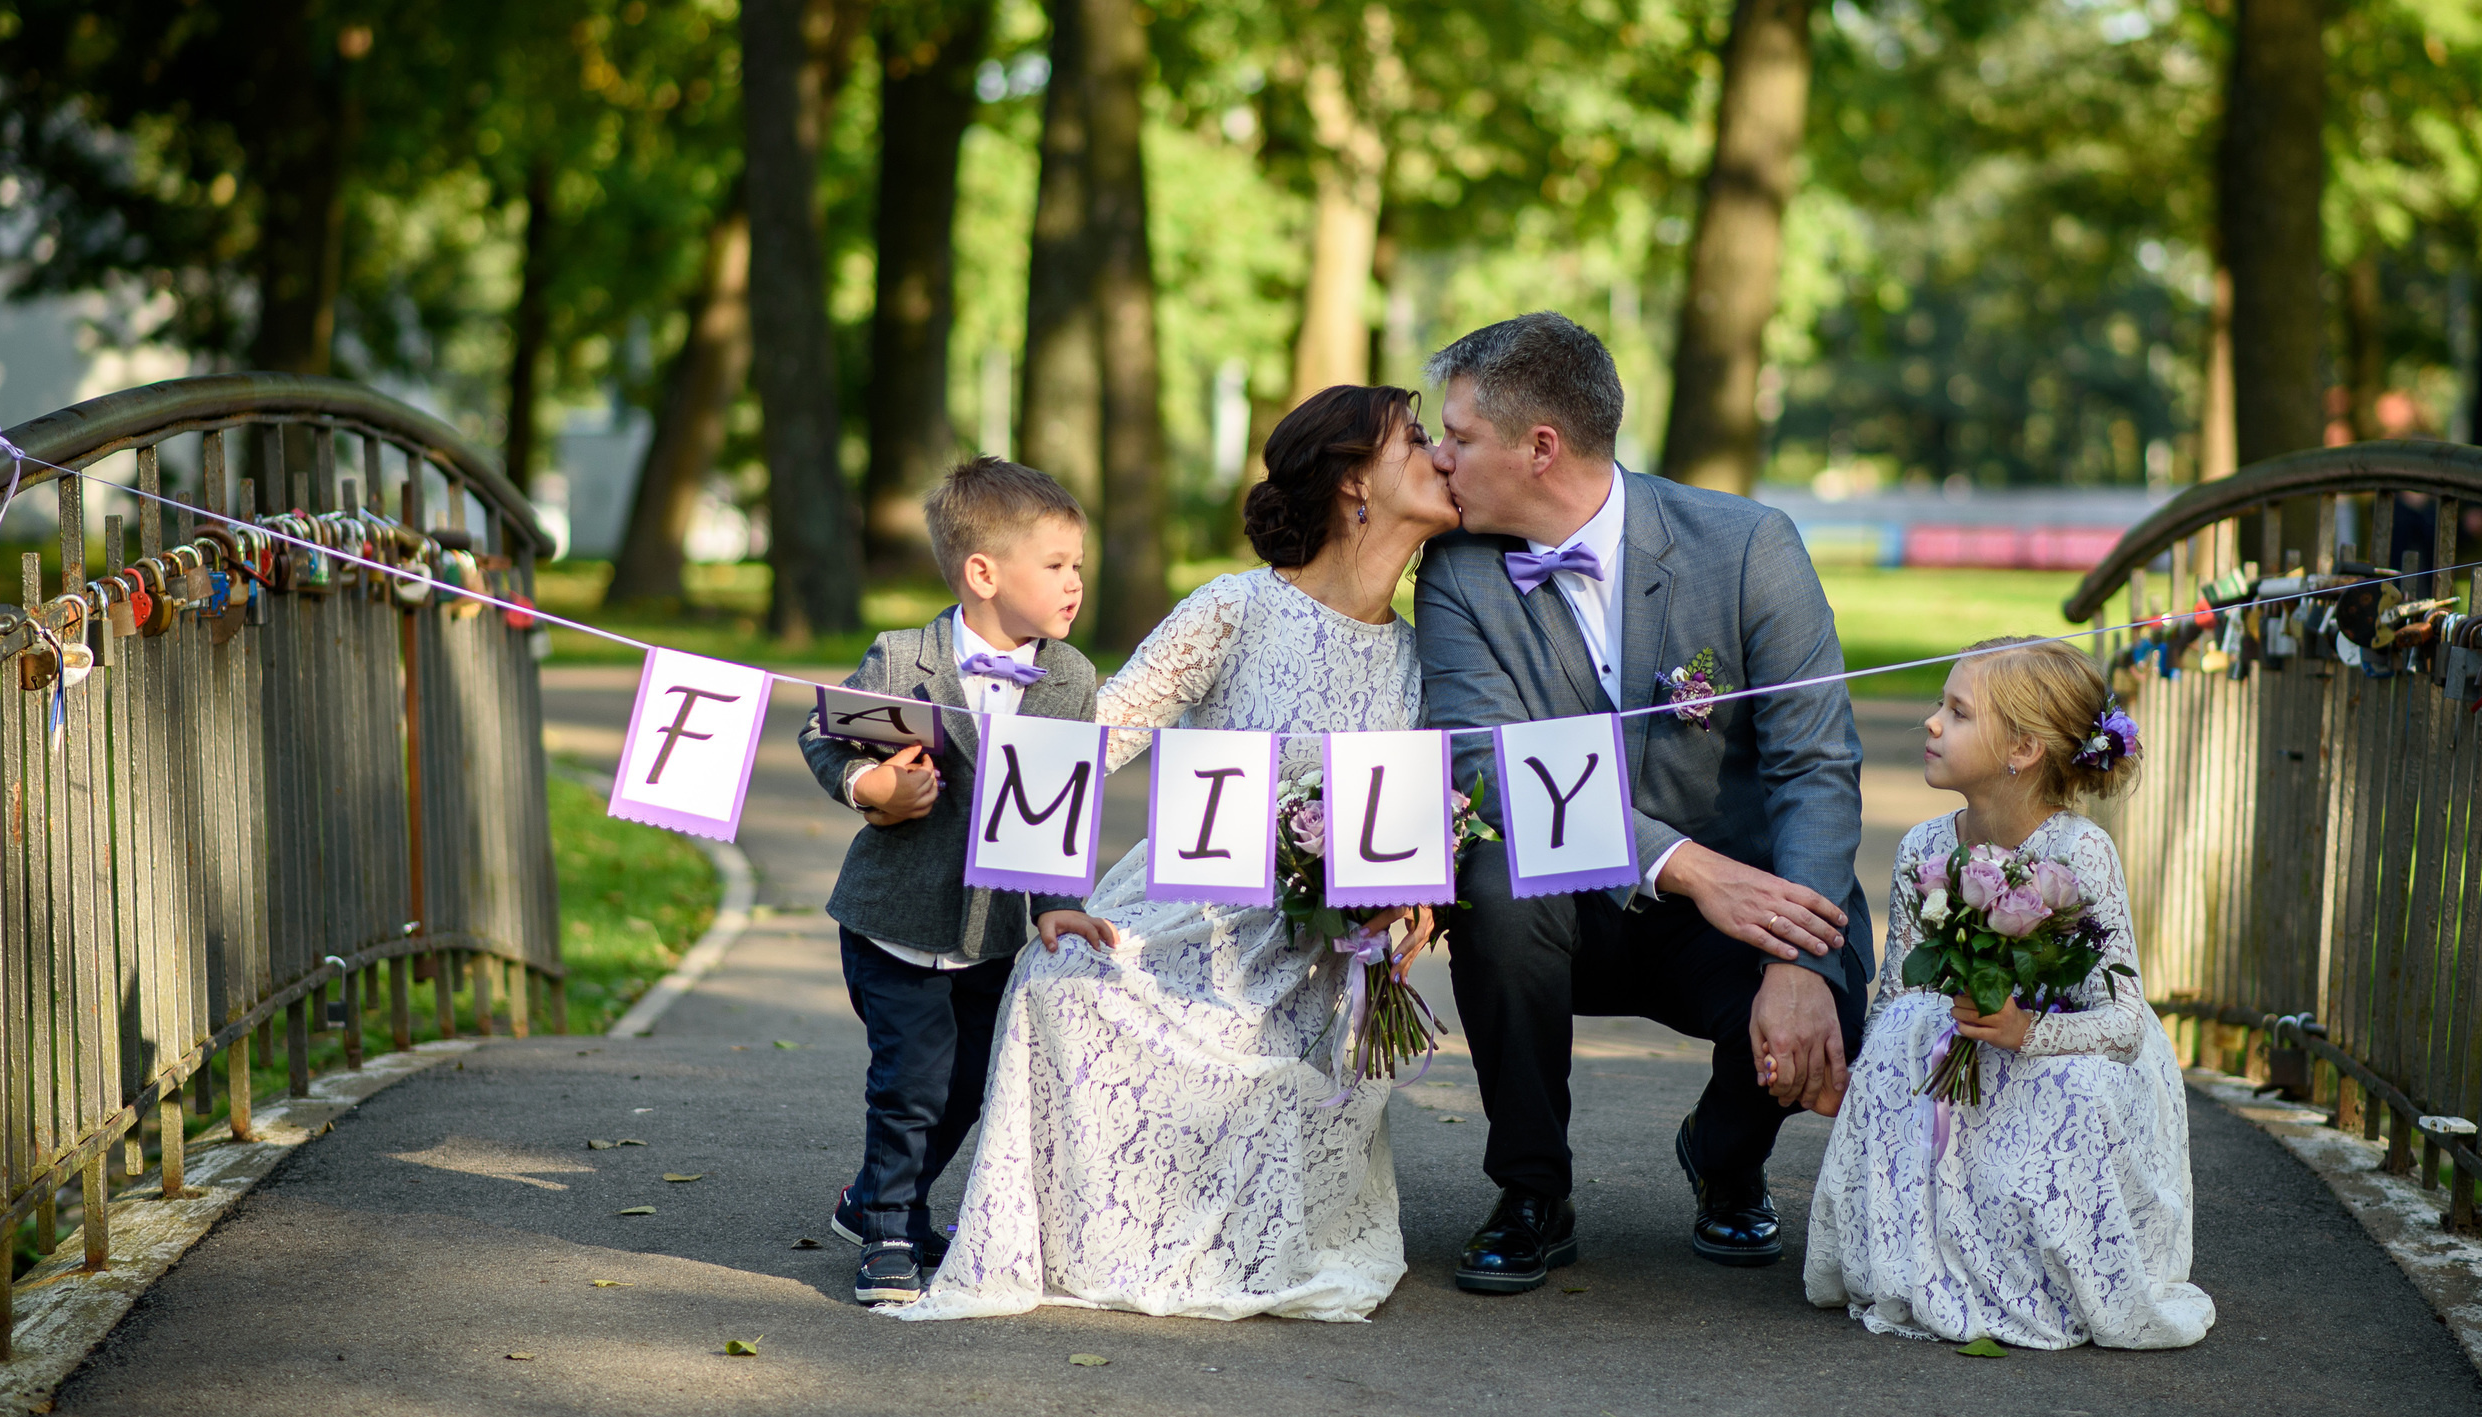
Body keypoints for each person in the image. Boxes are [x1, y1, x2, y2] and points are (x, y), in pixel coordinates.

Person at [894, 385, 1461, 1322]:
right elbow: (1096, 734)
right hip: (1189, 900)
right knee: (1059, 982)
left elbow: (1425, 812)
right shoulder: (1235, 609)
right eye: (1418, 438)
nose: (1442, 453)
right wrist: (922, 762)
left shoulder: (1426, 655)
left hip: (1318, 949)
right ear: (1356, 481)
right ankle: (1068, 1232)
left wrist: (1412, 893)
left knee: (1288, 1065)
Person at [1413, 312, 1870, 1293]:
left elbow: (1815, 763)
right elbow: (1482, 761)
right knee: (1494, 876)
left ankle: (1725, 1154)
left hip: (1735, 906)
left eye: (1456, 436)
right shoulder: (1453, 568)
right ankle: (1531, 1187)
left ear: (1540, 447)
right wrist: (1683, 867)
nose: (1436, 457)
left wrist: (1798, 957)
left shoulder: (1749, 545)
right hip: (1568, 900)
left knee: (1833, 971)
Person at [1805, 639, 2214, 1349]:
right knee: (1904, 1031)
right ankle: (1930, 1254)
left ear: (2021, 748)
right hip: (1964, 1037)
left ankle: (2051, 1267)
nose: (1931, 723)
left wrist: (2028, 1031)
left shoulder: (2079, 851)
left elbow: (2123, 1025)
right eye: (1940, 705)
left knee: (2075, 1088)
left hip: (2057, 1043)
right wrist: (1863, 1075)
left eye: (1957, 712)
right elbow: (1900, 991)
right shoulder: (1924, 846)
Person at [796, 457, 1101, 1306]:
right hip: (894, 920)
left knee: (969, 1084)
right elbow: (823, 737)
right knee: (913, 1080)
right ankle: (891, 1227)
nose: (1075, 582)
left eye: (1078, 564)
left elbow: (1062, 795)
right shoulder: (902, 658)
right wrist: (872, 788)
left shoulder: (1070, 678)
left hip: (993, 930)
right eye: (1055, 565)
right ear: (983, 572)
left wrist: (1057, 903)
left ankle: (872, 1199)